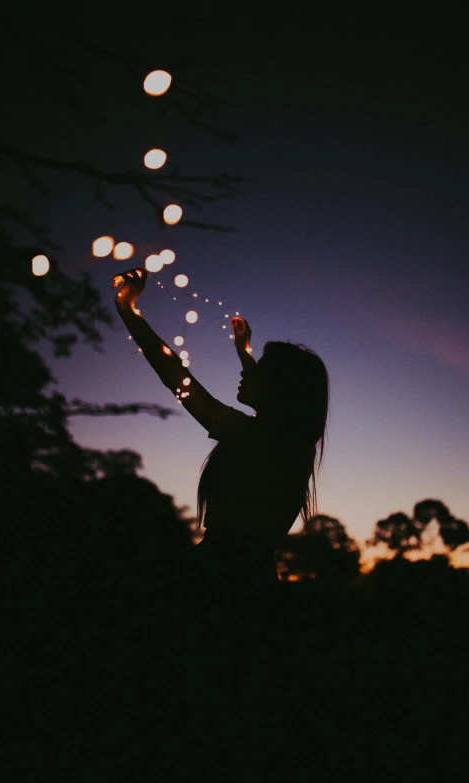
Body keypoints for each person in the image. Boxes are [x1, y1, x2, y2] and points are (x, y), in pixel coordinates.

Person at [113, 267, 329, 771]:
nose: (243, 373)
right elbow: (266, 395)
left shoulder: (254, 440)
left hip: (217, 584)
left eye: (257, 370)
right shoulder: (286, 447)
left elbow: (177, 380)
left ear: (278, 391)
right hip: (250, 584)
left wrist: (129, 311)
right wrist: (245, 351)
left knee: (186, 715)